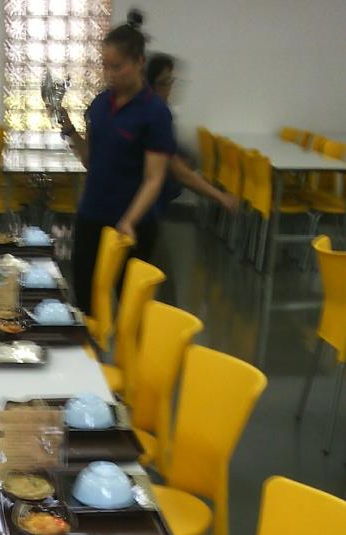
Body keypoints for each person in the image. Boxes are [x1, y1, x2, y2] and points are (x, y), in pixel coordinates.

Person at [60, 11, 175, 315]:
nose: (109, 74)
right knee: (84, 300)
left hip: (132, 223)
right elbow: (90, 159)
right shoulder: (100, 104)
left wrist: (129, 220)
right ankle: (90, 344)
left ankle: (128, 347)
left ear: (139, 62)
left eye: (117, 66)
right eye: (105, 66)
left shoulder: (154, 113)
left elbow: (154, 178)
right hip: (91, 215)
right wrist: (69, 129)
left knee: (129, 304)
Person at [146, 52, 238, 215]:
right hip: (142, 202)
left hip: (146, 198)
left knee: (188, 156)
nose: (170, 89)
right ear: (150, 84)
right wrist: (220, 196)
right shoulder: (153, 115)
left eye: (171, 81)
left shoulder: (159, 111)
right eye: (165, 83)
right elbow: (179, 172)